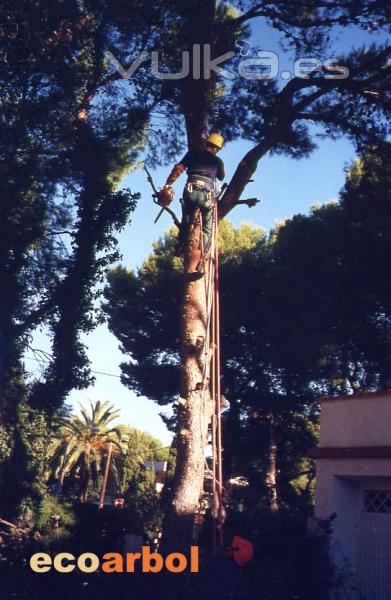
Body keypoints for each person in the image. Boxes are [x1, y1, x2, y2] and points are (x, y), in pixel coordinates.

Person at [158, 133, 225, 264]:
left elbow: (179, 168)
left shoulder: (193, 153)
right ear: (217, 149)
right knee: (207, 226)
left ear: (206, 143)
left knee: (186, 219)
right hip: (206, 194)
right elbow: (222, 177)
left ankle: (181, 245)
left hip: (190, 190)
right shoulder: (218, 161)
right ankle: (204, 257)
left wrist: (168, 184)